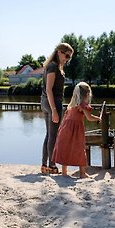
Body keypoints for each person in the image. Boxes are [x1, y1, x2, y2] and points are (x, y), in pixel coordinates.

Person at [52, 82, 101, 178]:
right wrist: (98, 118)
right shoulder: (82, 106)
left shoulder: (71, 105)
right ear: (87, 94)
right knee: (80, 149)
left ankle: (64, 172)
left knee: (65, 148)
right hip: (76, 130)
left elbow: (66, 118)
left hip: (65, 129)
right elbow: (89, 118)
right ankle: (82, 173)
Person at [40, 42, 74, 174]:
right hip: (52, 103)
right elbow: (49, 89)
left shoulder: (52, 66)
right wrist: (54, 110)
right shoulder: (53, 67)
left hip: (46, 102)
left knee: (49, 134)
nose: (67, 59)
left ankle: (45, 165)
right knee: (53, 135)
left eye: (69, 57)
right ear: (59, 52)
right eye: (66, 55)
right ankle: (52, 166)